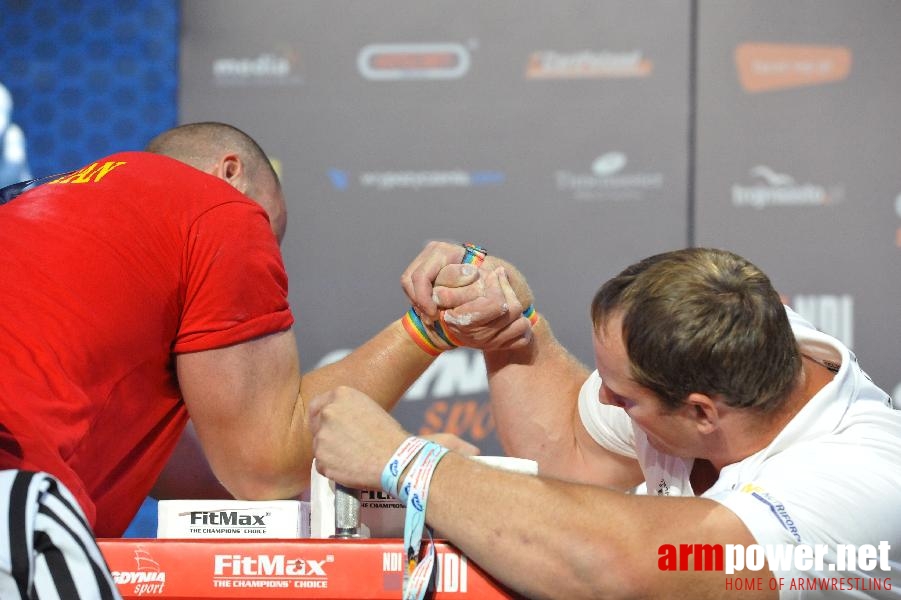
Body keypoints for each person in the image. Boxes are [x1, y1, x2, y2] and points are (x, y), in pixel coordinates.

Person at [0, 125, 520, 598]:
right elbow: (262, 465)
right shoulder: (217, 207)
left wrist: (393, 471)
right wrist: (431, 328)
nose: (265, 253)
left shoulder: (33, 211)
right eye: (269, 235)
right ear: (230, 174)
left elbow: (194, 470)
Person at [311, 241, 901, 599]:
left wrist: (410, 465)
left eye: (624, 398)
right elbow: (570, 448)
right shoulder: (735, 344)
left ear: (701, 412)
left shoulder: (857, 490)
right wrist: (514, 330)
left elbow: (621, 565)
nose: (606, 403)